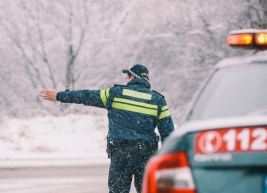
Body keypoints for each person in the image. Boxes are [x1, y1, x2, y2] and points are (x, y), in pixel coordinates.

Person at [39, 64, 175, 193]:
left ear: (132, 77)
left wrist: (59, 95)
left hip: (121, 154)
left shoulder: (114, 94)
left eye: (127, 76)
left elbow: (86, 96)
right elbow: (168, 134)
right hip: (146, 156)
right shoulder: (158, 100)